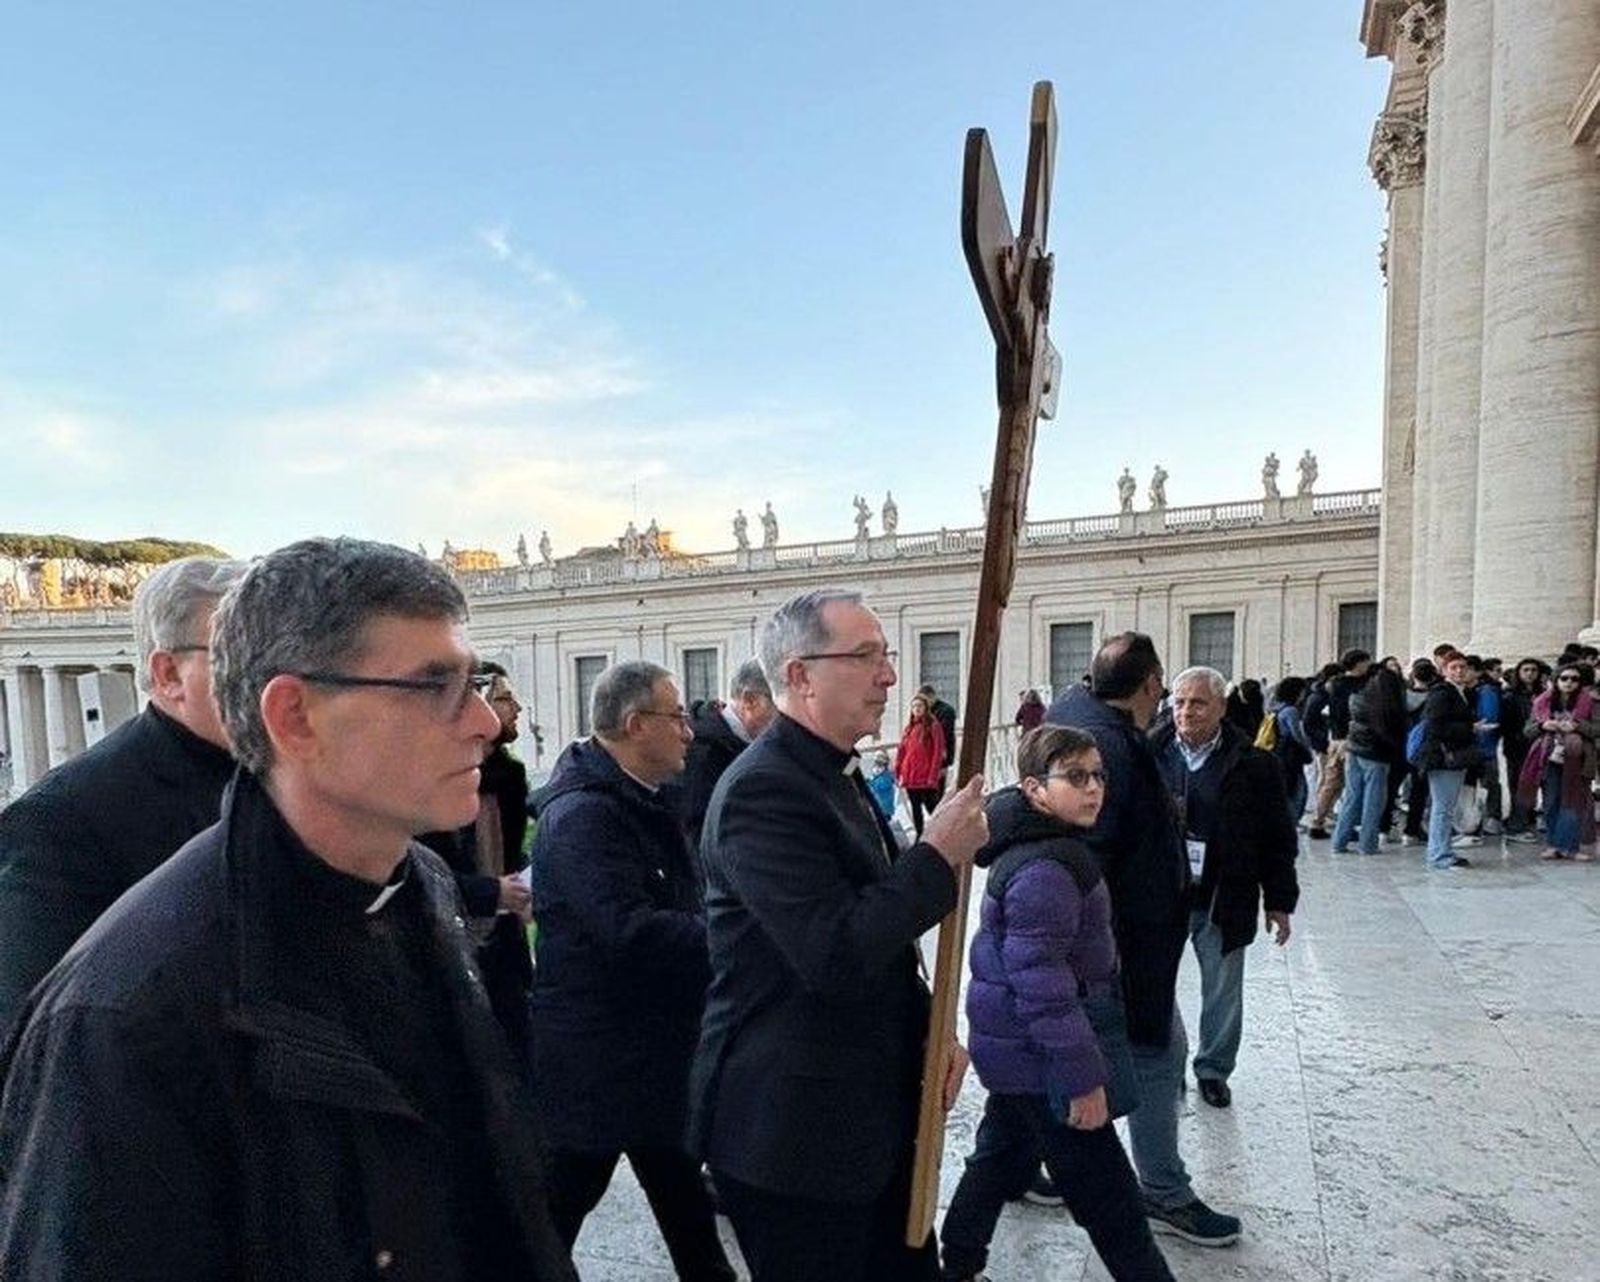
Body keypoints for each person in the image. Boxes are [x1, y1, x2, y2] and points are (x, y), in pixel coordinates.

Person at [0, 537, 577, 1279]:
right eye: (435, 686)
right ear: (296, 717)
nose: (485, 722)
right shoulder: (122, 1017)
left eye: (477, 680)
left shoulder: (421, 882)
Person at [688, 588, 987, 1281]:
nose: (888, 675)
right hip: (795, 1143)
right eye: (865, 656)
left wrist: (931, 1034)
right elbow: (835, 951)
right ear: (798, 676)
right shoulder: (764, 792)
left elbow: (881, 943)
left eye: (885, 656)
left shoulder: (831, 773)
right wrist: (936, 854)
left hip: (861, 1124)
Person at [940, 726, 1175, 1282]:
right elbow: (1041, 986)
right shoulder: (1046, 869)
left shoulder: (1049, 849)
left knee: (999, 1158)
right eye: (1075, 777)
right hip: (1042, 1060)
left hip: (1019, 1055)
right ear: (1035, 789)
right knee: (1113, 1202)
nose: (1093, 788)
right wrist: (1080, 1079)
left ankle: (957, 1262)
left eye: (1098, 775)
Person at [528, 661, 735, 1279]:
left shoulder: (639, 800)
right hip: (598, 1067)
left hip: (647, 1059)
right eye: (676, 717)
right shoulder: (585, 817)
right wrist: (730, 937)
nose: (688, 732)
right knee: (549, 1222)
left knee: (689, 1219)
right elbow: (628, 931)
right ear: (635, 724)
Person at [1045, 633, 1241, 1248]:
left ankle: (1035, 1165)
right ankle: (1162, 1190)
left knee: (1052, 1063)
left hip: (1115, 941)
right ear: (1152, 684)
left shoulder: (1075, 717)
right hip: (1124, 946)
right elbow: (1092, 856)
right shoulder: (1111, 748)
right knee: (1159, 1054)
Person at [0, 555, 245, 1038]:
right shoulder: (57, 821)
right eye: (244, 655)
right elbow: (29, 1034)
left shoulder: (298, 778)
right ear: (169, 673)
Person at [1151, 668, 1298, 1109]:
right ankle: (1166, 1066)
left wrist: (1279, 900)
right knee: (1156, 984)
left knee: (1222, 988)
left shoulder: (1255, 764)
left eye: (1197, 703)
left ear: (1221, 707)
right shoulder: (1150, 754)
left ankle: (1213, 1069)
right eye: (1178, 702)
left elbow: (1278, 837)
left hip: (1222, 894)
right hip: (1161, 893)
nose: (1185, 712)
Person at [417, 665, 536, 1055]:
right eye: (503, 699)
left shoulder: (508, 779)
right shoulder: (433, 784)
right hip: (452, 949)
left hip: (505, 946)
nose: (515, 708)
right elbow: (420, 872)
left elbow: (507, 854)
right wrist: (490, 892)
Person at [680, 659, 777, 851]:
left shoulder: (746, 743)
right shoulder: (703, 752)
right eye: (780, 703)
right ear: (749, 701)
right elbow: (695, 833)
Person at [1517, 663, 1597, 861]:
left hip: (1577, 758)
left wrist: (1577, 726)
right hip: (1549, 757)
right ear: (1556, 680)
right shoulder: (1541, 702)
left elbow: (1597, 729)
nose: (1569, 682)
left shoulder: (1590, 702)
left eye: (1574, 679)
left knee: (1573, 802)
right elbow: (1528, 731)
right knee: (1551, 801)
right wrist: (1544, 725)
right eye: (1565, 678)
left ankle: (1571, 846)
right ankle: (1554, 844)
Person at [1333, 665, 1407, 855]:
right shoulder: (1388, 706)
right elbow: (1391, 734)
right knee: (1374, 801)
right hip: (1376, 755)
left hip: (1354, 751)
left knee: (1352, 797)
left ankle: (1339, 841)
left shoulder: (1357, 698)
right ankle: (1368, 844)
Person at [1418, 650, 1479, 870]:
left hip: (1452, 756)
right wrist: (1470, 728)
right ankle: (1438, 855)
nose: (1459, 671)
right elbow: (1436, 726)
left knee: (1445, 807)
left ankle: (1442, 851)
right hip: (1443, 757)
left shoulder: (1460, 692)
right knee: (1443, 809)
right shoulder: (1442, 693)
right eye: (1454, 667)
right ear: (1444, 671)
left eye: (1463, 667)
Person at [1308, 649, 1372, 839]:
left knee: (1332, 783)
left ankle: (1318, 821)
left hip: (1336, 739)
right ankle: (1345, 825)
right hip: (1351, 739)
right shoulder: (1359, 685)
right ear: (1359, 663)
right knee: (1350, 785)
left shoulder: (1333, 684)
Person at [1501, 658, 1548, 837]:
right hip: (1518, 747)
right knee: (1519, 786)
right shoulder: (1510, 696)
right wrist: (1519, 738)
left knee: (1537, 784)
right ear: (1519, 673)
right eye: (1526, 670)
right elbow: (1506, 725)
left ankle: (1528, 819)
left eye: (1533, 670)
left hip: (1540, 746)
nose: (1530, 674)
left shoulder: (1544, 694)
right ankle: (1516, 825)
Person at [895, 695, 949, 837]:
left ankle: (943, 832)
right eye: (914, 706)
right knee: (915, 808)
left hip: (925, 777)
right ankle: (920, 835)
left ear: (926, 708)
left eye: (919, 706)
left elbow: (937, 752)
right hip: (910, 776)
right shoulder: (909, 728)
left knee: (932, 807)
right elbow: (902, 750)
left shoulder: (933, 726)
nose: (916, 709)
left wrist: (932, 776)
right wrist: (898, 770)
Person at [1266, 676, 1315, 826]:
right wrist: (1308, 748)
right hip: (1291, 756)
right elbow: (1297, 735)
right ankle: (1291, 822)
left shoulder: (1275, 707)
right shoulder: (1291, 711)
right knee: (1298, 791)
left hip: (1278, 753)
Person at [918, 681, 959, 795]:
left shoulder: (946, 711)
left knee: (937, 788)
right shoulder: (925, 710)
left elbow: (945, 735)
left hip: (940, 756)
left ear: (932, 697)